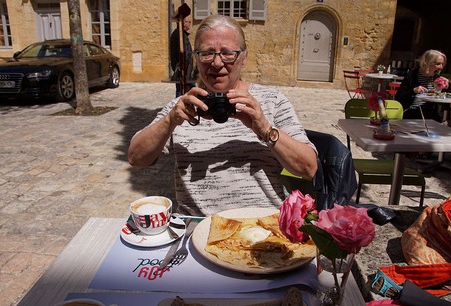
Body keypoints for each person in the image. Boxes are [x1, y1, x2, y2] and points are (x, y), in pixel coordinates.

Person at [128, 15, 318, 216]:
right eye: (207, 53)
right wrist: (169, 121)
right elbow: (136, 157)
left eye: (228, 53)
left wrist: (265, 129)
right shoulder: (183, 107)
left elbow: (308, 168)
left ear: (243, 58)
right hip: (198, 230)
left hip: (261, 228)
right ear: (197, 57)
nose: (217, 63)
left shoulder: (272, 100)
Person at [395, 50, 449, 122]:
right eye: (438, 64)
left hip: (429, 112)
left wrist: (444, 87)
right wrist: (413, 91)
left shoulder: (437, 77)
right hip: (412, 110)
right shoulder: (412, 75)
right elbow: (399, 97)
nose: (441, 67)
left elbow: (444, 102)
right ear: (427, 63)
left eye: (442, 64)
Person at [170, 15, 195, 97]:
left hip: (183, 71)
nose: (188, 24)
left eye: (188, 22)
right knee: (183, 91)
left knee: (183, 91)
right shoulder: (179, 35)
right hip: (183, 71)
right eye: (187, 21)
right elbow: (185, 54)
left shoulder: (180, 34)